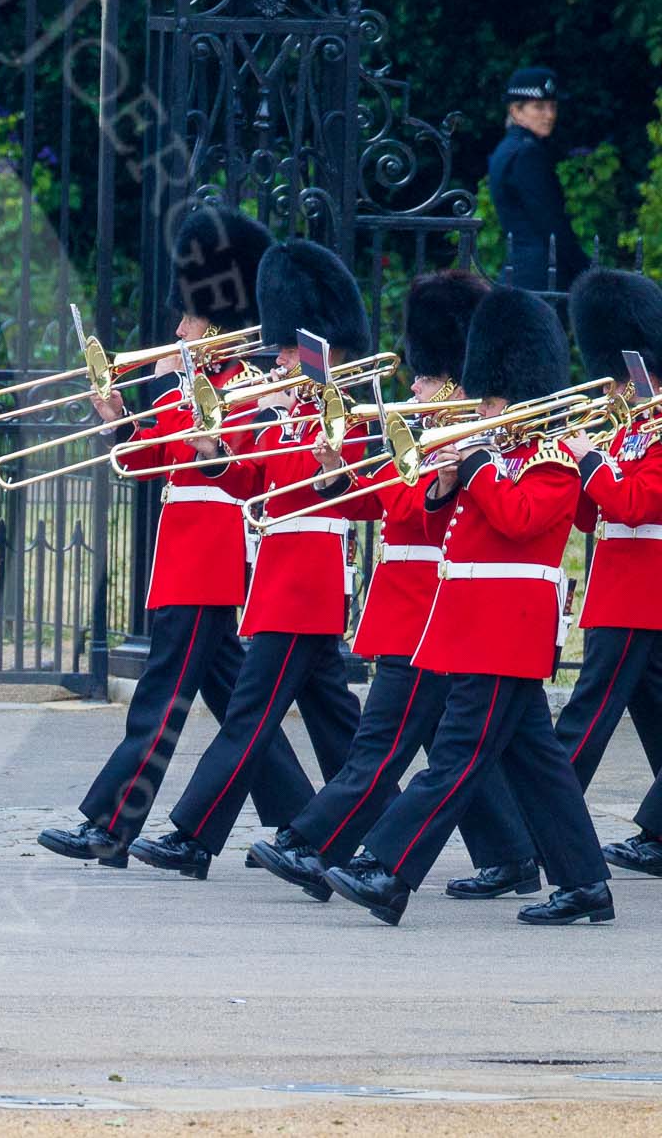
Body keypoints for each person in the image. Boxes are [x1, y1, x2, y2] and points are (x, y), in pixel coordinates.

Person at [247, 271, 540, 902]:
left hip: (433, 607)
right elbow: (379, 503)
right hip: (413, 604)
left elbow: (424, 514)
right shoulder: (434, 437)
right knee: (477, 746)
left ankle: (311, 843)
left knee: (383, 745)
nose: (416, 386)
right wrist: (333, 472)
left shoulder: (472, 442)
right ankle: (514, 854)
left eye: (428, 377)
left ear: (457, 381)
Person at [326, 287, 614, 926]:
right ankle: (586, 884)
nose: (479, 408)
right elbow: (449, 524)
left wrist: (477, 465)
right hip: (477, 625)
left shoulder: (551, 458)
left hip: (506, 627)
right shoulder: (502, 454)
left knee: (456, 755)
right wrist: (448, 480)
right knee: (538, 765)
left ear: (515, 392)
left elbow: (519, 520)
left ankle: (388, 867)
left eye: (488, 397)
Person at [39, 206, 314, 868]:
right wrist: (116, 418)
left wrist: (190, 403)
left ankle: (111, 825)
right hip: (183, 552)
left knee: (161, 703)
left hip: (211, 553)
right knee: (234, 698)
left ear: (216, 325)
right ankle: (303, 820)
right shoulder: (183, 383)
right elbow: (148, 459)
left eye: (187, 318)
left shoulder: (249, 387)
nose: (176, 329)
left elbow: (239, 463)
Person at [130, 239, 372, 879]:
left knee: (247, 719)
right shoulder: (289, 410)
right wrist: (213, 449)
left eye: (293, 349)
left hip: (305, 585)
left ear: (324, 348)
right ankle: (380, 836)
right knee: (342, 730)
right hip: (282, 583)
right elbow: (251, 482)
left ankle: (192, 836)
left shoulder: (346, 412)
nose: (282, 358)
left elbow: (343, 494)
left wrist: (328, 462)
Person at [553, 269, 662, 797]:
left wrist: (592, 460)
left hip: (641, 595)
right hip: (619, 590)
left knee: (585, 719)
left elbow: (635, 505)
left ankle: (538, 824)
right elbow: (592, 517)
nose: (617, 388)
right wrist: (569, 467)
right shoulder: (628, 431)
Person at [488, 66, 588, 293]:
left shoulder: (508, 149)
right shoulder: (527, 154)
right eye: (539, 107)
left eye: (553, 106)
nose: (550, 115)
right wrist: (588, 271)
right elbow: (551, 223)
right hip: (540, 277)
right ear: (516, 111)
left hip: (522, 273)